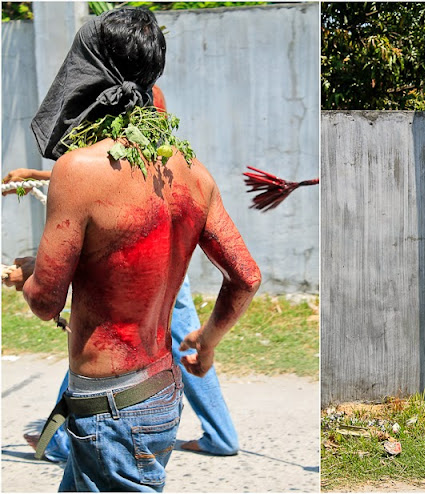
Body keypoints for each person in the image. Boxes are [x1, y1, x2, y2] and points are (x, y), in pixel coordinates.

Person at [4, 7, 260, 491]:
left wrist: (34, 272)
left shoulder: (78, 171)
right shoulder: (193, 174)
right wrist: (206, 342)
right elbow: (246, 275)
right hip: (159, 394)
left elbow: (44, 302)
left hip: (112, 411)